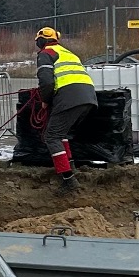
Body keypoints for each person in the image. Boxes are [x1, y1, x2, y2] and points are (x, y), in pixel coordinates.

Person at [34, 25, 97, 187]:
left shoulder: (45, 54)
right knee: (62, 134)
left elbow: (47, 81)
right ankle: (71, 165)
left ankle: (68, 179)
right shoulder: (69, 53)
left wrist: (45, 100)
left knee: (51, 136)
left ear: (41, 42)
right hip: (88, 96)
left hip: (69, 97)